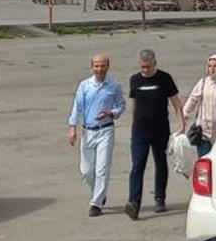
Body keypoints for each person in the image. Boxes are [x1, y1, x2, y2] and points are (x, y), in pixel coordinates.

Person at [124, 48, 185, 221]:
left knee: (160, 162)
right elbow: (134, 104)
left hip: (160, 130)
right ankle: (134, 203)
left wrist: (181, 125)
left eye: (148, 67)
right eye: (143, 67)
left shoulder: (165, 78)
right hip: (140, 131)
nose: (145, 70)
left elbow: (176, 103)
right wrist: (133, 122)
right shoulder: (134, 80)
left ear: (155, 63)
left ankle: (160, 198)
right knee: (137, 165)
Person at [67, 54, 126, 217]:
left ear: (108, 67)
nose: (99, 69)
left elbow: (121, 105)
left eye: (103, 66)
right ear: (92, 67)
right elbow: (77, 107)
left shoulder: (113, 85)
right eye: (96, 66)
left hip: (106, 130)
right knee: (86, 170)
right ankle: (98, 192)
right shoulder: (85, 85)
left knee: (102, 169)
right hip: (88, 131)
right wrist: (73, 128)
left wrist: (111, 113)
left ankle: (96, 203)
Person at [182, 54, 216, 157]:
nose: (212, 69)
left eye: (215, 66)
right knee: (204, 159)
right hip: (203, 129)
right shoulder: (203, 82)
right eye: (209, 66)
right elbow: (193, 99)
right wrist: (185, 112)